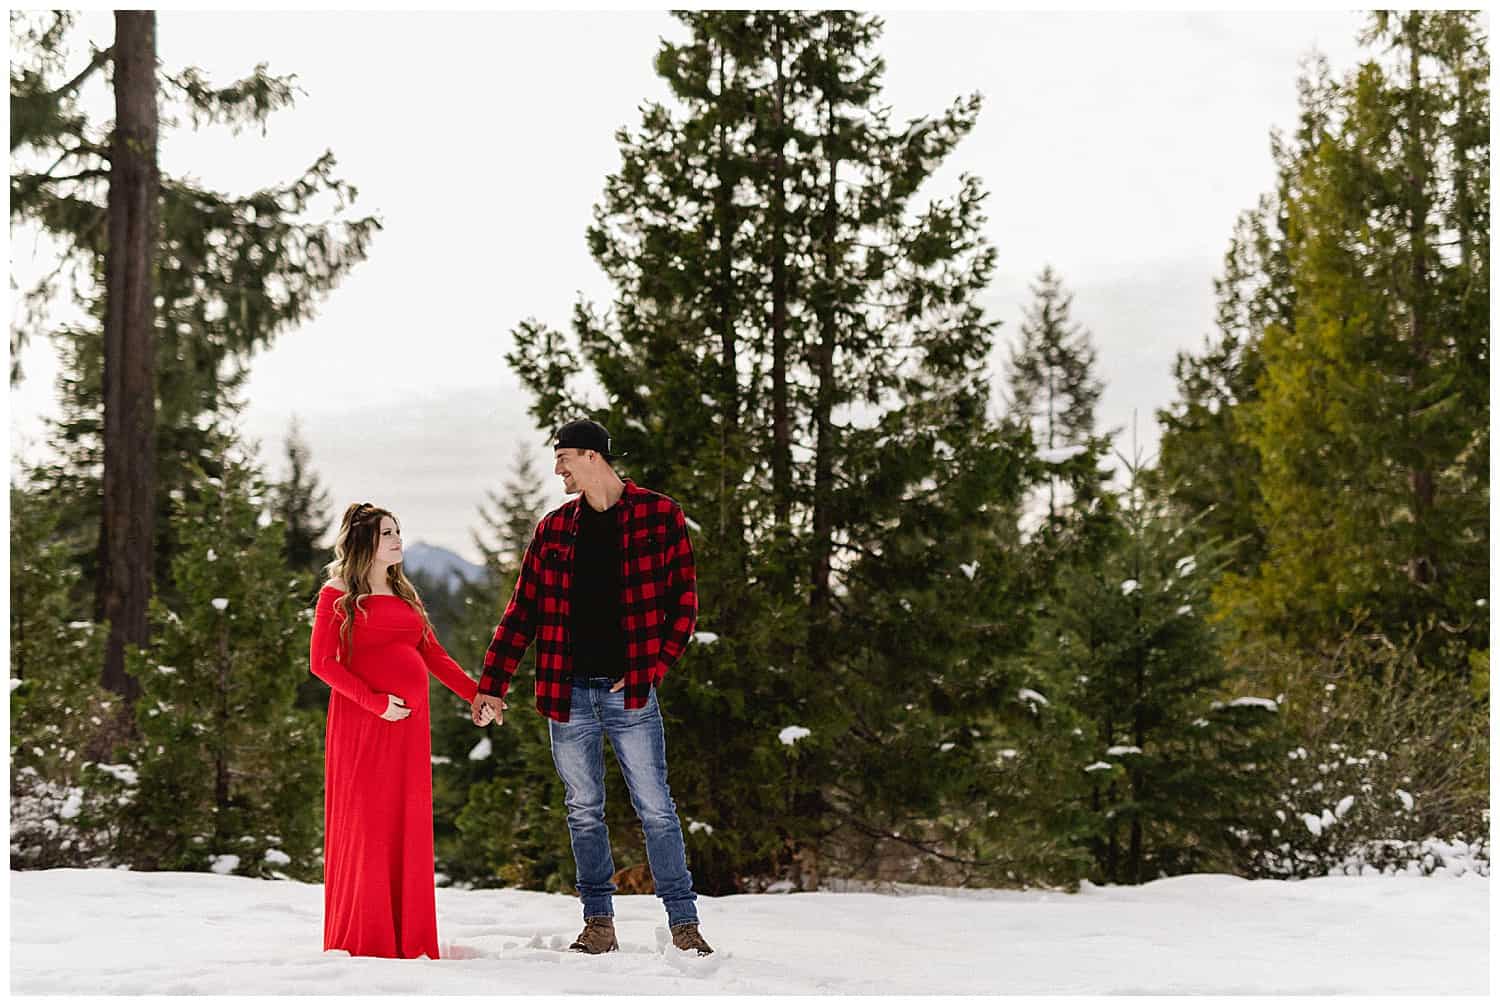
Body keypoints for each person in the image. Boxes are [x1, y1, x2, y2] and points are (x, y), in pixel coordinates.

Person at [470, 420, 714, 956]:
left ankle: (683, 924)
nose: (557, 469)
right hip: (568, 691)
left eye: (564, 459)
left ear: (593, 457)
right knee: (583, 809)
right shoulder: (554, 530)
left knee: (656, 809)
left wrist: (653, 668)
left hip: (631, 693)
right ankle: (598, 923)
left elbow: (684, 606)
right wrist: (493, 684)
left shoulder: (659, 514)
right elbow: (521, 613)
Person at [308, 502, 484, 959]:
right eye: (388, 533)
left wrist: (476, 695)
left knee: (404, 821)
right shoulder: (337, 594)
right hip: (363, 724)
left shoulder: (406, 594)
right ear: (365, 541)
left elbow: (434, 654)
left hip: (409, 730)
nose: (397, 539)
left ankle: (407, 936)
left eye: (398, 531)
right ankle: (366, 938)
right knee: (368, 824)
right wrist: (376, 703)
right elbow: (322, 663)